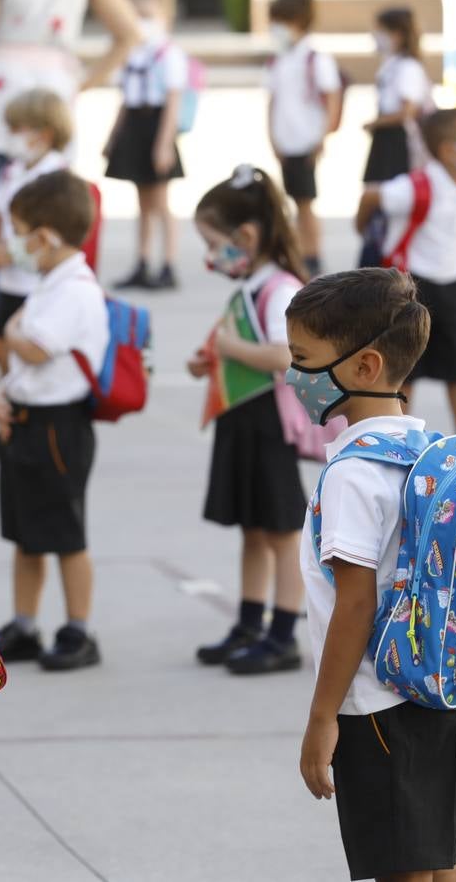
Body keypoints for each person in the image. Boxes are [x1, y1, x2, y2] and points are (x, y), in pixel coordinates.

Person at [289, 269, 456, 882]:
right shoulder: (427, 449)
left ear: (364, 366)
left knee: (404, 871)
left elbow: (355, 606)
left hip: (373, 705)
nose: (294, 377)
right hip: (437, 690)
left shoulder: (351, 475)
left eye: (303, 360)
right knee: (430, 863)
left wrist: (321, 720)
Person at [0, 0, 138, 376]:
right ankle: (48, 331)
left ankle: (0, 345)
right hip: (55, 93)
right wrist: (82, 82)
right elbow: (130, 32)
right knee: (51, 224)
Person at [187, 165, 309, 675]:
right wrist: (211, 358)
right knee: (252, 529)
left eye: (216, 245)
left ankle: (282, 634)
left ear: (248, 236)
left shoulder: (279, 287)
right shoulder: (253, 283)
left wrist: (231, 348)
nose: (213, 257)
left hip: (267, 426)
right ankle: (248, 621)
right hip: (242, 421)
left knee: (281, 531)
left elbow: (288, 356)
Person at [0, 170, 108, 671]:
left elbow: (36, 348)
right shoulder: (50, 282)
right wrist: (5, 393)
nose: (14, 243)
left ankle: (78, 628)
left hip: (60, 426)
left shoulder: (75, 288)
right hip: (28, 418)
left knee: (65, 532)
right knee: (26, 532)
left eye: (19, 231)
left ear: (45, 236)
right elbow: (26, 359)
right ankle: (25, 622)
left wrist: (13, 330)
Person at [356, 107, 456, 437]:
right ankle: (399, 432)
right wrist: (363, 230)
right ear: (449, 149)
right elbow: (372, 197)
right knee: (406, 365)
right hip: (411, 286)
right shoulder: (415, 187)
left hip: (452, 285)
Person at [0, 87, 72, 459]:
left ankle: (29, 423)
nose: (13, 136)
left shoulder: (56, 176)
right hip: (9, 281)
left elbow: (53, 230)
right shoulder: (13, 170)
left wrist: (13, 252)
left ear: (43, 131)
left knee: (29, 351)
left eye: (19, 128)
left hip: (35, 282)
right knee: (1, 348)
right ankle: (9, 416)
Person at [105, 0, 187, 291]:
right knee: (142, 202)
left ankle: (168, 263)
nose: (142, 22)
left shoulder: (170, 55)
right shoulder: (132, 54)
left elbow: (173, 103)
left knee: (161, 202)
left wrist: (164, 144)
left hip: (157, 126)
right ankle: (142, 261)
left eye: (148, 16)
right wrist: (112, 137)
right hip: (135, 127)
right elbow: (126, 101)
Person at [263, 0, 341, 281]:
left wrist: (323, 136)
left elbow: (331, 97)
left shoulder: (314, 58)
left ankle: (312, 254)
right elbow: (272, 99)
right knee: (294, 200)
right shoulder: (279, 59)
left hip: (306, 139)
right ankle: (300, 252)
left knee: (306, 202)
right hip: (285, 139)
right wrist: (271, 136)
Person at [364, 7, 431, 185]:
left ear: (398, 34)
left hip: (399, 140)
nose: (376, 36)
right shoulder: (391, 64)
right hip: (386, 137)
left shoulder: (409, 67)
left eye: (381, 31)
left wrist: (376, 123)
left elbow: (408, 111)